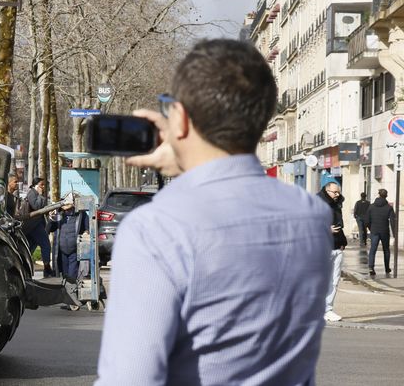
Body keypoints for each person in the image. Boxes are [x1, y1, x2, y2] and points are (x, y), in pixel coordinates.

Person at [95, 39, 330, 386]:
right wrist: (190, 161)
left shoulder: (156, 228)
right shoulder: (312, 215)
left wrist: (188, 160)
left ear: (181, 119)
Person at [317, 177, 346, 322]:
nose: (337, 195)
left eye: (338, 192)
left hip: (337, 246)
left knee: (334, 281)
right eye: (335, 192)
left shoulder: (337, 203)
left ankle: (327, 309)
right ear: (327, 190)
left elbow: (340, 224)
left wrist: (342, 242)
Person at [51, 193, 88, 283]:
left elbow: (88, 228)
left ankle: (72, 292)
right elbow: (49, 228)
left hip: (74, 250)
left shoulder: (81, 215)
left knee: (72, 276)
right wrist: (51, 218)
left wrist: (86, 233)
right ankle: (66, 292)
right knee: (64, 275)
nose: (66, 206)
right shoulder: (59, 215)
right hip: (62, 251)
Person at [19, 177, 52, 277]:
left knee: (30, 248)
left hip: (36, 225)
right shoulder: (32, 193)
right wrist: (41, 196)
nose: (43, 187)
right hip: (34, 225)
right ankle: (47, 269)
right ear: (35, 185)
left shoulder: (35, 194)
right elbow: (36, 206)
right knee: (45, 245)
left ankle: (24, 268)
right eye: (41, 185)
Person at [367, 188, 396, 277]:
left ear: (378, 195)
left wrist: (370, 228)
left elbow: (367, 220)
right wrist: (394, 234)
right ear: (386, 196)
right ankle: (387, 268)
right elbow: (392, 221)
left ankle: (371, 267)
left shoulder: (371, 206)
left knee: (373, 249)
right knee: (386, 250)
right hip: (384, 230)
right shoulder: (389, 208)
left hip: (374, 230)